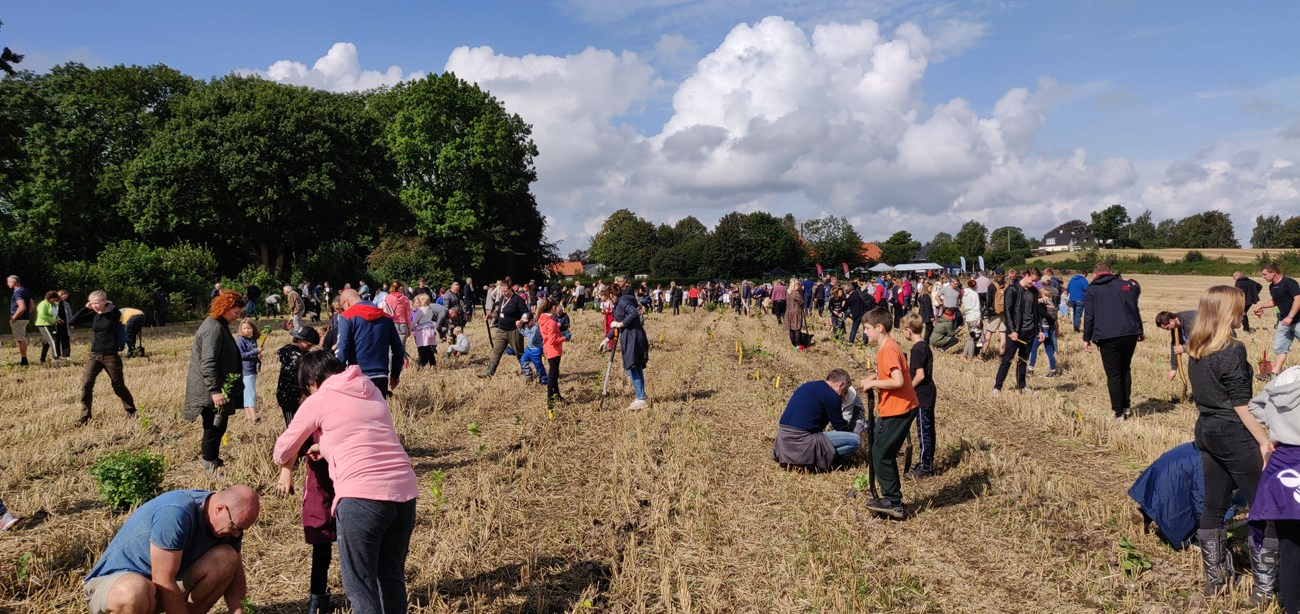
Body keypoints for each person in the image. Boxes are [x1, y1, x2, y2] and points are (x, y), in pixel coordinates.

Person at [273, 352, 418, 614]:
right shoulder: (369, 389)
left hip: (362, 498)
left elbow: (284, 448)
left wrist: (287, 462)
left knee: (361, 587)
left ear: (312, 382)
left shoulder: (320, 398)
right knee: (390, 576)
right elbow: (363, 433)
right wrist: (325, 445)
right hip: (404, 492)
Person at [1186, 285, 1270, 598]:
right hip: (1233, 433)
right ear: (1226, 313)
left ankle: (1216, 580)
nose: (1243, 313)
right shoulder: (1232, 349)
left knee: (1213, 506)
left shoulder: (1197, 347)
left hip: (1206, 431)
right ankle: (1265, 588)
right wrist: (1263, 440)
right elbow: (1240, 403)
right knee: (1265, 506)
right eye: (1240, 308)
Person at [82, 486, 260, 614]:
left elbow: (235, 572)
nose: (237, 534)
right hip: (114, 586)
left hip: (159, 589)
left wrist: (240, 611)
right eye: (235, 527)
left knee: (227, 558)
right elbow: (163, 579)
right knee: (135, 591)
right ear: (220, 509)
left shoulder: (232, 523)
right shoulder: (177, 513)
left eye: (242, 529)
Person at [274, 350, 337, 614]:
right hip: (322, 482)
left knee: (351, 539)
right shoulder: (309, 405)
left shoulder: (344, 399)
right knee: (322, 540)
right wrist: (285, 471)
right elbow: (292, 442)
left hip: (345, 479)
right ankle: (318, 598)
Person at [1247, 365, 1300, 610]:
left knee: (1290, 546)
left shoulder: (1287, 376)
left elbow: (1255, 407)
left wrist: (1278, 427)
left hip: (1283, 466)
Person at [859, 308, 920, 520]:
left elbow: (898, 381)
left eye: (867, 328)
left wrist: (874, 383)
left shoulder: (888, 350)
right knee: (883, 452)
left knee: (880, 452)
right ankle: (892, 498)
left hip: (899, 408)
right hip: (895, 407)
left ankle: (894, 502)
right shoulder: (888, 348)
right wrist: (872, 378)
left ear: (879, 328)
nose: (865, 332)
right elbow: (888, 373)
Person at [184, 291, 247, 473]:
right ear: (225, 308)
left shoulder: (219, 325)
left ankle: (212, 460)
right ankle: (209, 464)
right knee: (213, 427)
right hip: (209, 390)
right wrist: (215, 391)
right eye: (235, 313)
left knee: (218, 426)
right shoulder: (213, 329)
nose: (237, 318)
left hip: (216, 387)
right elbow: (208, 362)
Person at [1083, 262, 1145, 419]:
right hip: (1130, 334)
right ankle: (1126, 407)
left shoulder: (1092, 289)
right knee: (1125, 369)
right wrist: (1139, 330)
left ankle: (1118, 412)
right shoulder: (1126, 285)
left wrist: (1086, 338)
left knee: (1114, 374)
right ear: (1110, 271)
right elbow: (1134, 309)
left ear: (1095, 274)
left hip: (1107, 336)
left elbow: (1089, 316)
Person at [771, 369, 859, 471]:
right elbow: (839, 426)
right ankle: (813, 462)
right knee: (855, 440)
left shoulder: (807, 385)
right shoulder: (831, 395)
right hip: (803, 440)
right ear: (841, 385)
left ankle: (798, 460)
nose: (843, 395)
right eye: (845, 391)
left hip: (783, 442)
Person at [70, 291, 137, 425]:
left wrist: (109, 305)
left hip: (110, 356)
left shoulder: (112, 314)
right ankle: (84, 417)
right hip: (94, 355)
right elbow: (73, 321)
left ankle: (131, 411)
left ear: (104, 301)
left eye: (96, 302)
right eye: (91, 302)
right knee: (86, 384)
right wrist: (86, 308)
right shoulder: (93, 314)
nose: (93, 305)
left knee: (118, 385)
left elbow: (116, 312)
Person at [334, 289, 404, 397]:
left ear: (347, 303)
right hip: (381, 375)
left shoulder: (346, 316)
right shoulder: (386, 317)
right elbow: (398, 349)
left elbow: (342, 349)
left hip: (356, 375)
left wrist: (336, 374)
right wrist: (395, 374)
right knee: (378, 411)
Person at [993, 268, 1043, 394]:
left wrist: (1040, 330)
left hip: (1030, 331)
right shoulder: (1012, 290)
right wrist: (1012, 330)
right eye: (1032, 281)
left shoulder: (1034, 292)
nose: (1033, 284)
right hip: (1016, 332)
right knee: (1007, 360)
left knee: (1023, 360)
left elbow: (1037, 312)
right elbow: (1008, 312)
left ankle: (1022, 386)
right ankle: (997, 387)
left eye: (1036, 282)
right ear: (1026, 275)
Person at [902, 313, 936, 479]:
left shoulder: (916, 349)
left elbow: (920, 375)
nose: (903, 333)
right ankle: (927, 461)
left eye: (903, 330)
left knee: (923, 430)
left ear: (908, 330)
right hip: (929, 391)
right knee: (928, 429)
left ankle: (925, 466)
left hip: (922, 394)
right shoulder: (925, 345)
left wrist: (908, 388)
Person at [1255, 262, 1300, 379]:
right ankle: (1274, 374)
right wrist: (1262, 306)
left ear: (1273, 273)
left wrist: (1290, 317)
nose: (1262, 277)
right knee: (1280, 348)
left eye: (1264, 274)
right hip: (1284, 322)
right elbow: (1276, 301)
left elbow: (1298, 300)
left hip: (1297, 321)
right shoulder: (1272, 287)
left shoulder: (1289, 283)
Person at [610, 281, 650, 410]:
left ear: (611, 295)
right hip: (632, 336)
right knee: (636, 367)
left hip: (633, 337)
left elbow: (633, 313)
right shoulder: (620, 303)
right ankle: (640, 396)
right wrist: (607, 338)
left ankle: (641, 398)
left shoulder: (622, 302)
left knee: (631, 368)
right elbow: (617, 323)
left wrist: (621, 324)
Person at [481, 282, 528, 378]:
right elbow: (498, 312)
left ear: (511, 289)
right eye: (502, 291)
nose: (504, 293)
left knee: (518, 352)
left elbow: (526, 313)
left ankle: (527, 373)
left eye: (505, 291)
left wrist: (521, 321)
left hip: (514, 330)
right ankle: (489, 373)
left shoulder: (518, 299)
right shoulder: (502, 298)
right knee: (496, 351)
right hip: (501, 330)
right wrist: (490, 315)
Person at [276, 327, 320, 426]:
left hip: (294, 395)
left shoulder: (289, 351)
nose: (309, 347)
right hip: (288, 397)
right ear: (300, 340)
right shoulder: (296, 356)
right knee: (293, 425)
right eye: (308, 345)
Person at [538, 297, 569, 404]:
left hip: (548, 349)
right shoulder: (550, 322)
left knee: (554, 373)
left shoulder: (543, 319)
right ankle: (550, 398)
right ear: (553, 307)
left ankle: (557, 395)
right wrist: (564, 338)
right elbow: (553, 340)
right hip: (554, 350)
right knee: (552, 375)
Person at [1156, 310, 1197, 382]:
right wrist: (1174, 368)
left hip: (1211, 349)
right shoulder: (1175, 325)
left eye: (1167, 328)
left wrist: (1184, 348)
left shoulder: (1190, 321)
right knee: (1193, 372)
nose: (1168, 330)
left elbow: (1200, 341)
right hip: (1195, 351)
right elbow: (1175, 344)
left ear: (1171, 320)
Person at [1026, 287, 1059, 377]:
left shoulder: (1042, 304)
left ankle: (1030, 369)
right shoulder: (1053, 304)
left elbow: (1044, 313)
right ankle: (1053, 370)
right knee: (1049, 350)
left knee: (1033, 349)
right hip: (1049, 328)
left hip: (1043, 329)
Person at [235, 318, 261, 423]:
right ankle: (254, 417)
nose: (247, 330)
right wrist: (255, 351)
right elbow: (240, 355)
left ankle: (248, 417)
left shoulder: (253, 339)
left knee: (247, 393)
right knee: (250, 393)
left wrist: (258, 356)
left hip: (252, 369)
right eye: (244, 328)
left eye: (249, 328)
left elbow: (252, 353)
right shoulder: (240, 340)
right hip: (246, 370)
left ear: (253, 328)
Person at [411, 293, 441, 368]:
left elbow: (415, 321)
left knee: (422, 348)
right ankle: (433, 363)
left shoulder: (420, 310)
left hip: (422, 331)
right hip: (430, 329)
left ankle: (422, 363)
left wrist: (410, 327)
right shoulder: (430, 309)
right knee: (429, 348)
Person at [7, 275, 32, 366]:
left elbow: (22, 307)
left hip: (18, 319)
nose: (7, 284)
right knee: (21, 338)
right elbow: (32, 305)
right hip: (24, 318)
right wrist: (26, 314)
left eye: (8, 282)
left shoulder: (18, 292)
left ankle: (24, 361)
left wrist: (14, 317)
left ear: (14, 282)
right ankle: (24, 359)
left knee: (20, 339)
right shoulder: (25, 290)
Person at [517, 313, 547, 385]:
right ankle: (529, 376)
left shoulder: (536, 328)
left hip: (536, 350)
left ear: (532, 320)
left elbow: (531, 339)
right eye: (524, 323)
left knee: (538, 365)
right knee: (523, 360)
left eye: (526, 323)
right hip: (529, 349)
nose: (525, 325)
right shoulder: (528, 327)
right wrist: (519, 328)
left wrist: (526, 329)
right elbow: (525, 334)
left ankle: (544, 379)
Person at [383, 281, 412, 353]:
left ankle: (390, 364)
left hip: (390, 324)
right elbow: (408, 315)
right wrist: (409, 328)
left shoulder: (387, 297)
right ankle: (401, 363)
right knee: (401, 349)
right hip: (402, 325)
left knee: (390, 349)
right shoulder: (405, 299)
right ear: (399, 288)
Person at [35, 290, 63, 364]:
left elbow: (54, 314)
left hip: (51, 324)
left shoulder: (53, 305)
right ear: (50, 298)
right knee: (53, 341)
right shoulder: (43, 304)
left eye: (56, 299)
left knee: (47, 343)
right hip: (44, 324)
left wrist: (58, 319)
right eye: (54, 299)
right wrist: (54, 320)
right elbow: (42, 315)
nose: (55, 301)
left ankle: (42, 360)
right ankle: (56, 358)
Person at [783, 277, 806, 350]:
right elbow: (801, 302)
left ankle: (794, 345)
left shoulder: (788, 292)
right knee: (797, 328)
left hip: (788, 311)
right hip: (796, 312)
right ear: (794, 285)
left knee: (791, 329)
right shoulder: (796, 293)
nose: (798, 286)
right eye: (797, 285)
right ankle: (799, 345)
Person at [55, 289, 74, 359]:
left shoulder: (66, 304)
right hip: (56, 325)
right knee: (57, 340)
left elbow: (69, 314)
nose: (65, 298)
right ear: (60, 295)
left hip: (65, 324)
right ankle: (57, 355)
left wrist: (71, 323)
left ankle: (66, 355)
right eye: (64, 297)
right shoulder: (54, 304)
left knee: (66, 340)